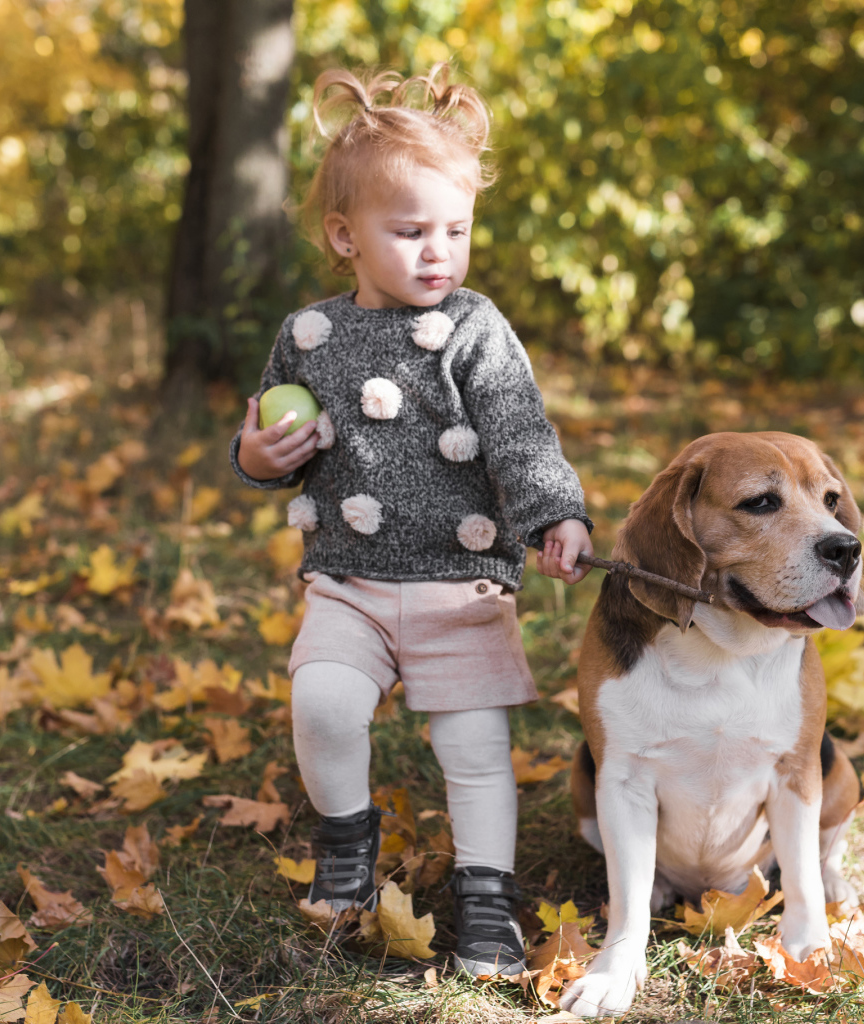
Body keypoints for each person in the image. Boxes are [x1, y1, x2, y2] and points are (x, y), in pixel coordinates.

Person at [229, 64, 593, 979]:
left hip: (460, 585)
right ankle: (345, 848)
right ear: (344, 236)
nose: (439, 252)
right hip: (347, 583)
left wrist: (555, 511)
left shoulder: (474, 327)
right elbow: (276, 445)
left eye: (455, 231)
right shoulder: (307, 335)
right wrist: (259, 458)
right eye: (411, 231)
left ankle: (486, 900)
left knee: (475, 750)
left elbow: (519, 432)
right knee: (321, 703)